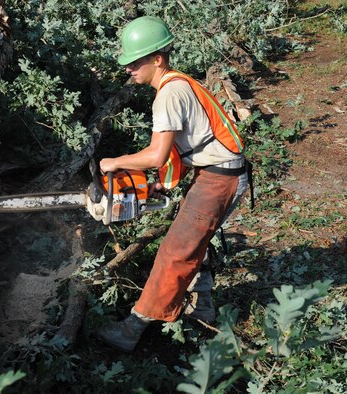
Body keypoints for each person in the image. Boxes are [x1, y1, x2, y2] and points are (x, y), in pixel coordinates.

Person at [97, 16, 249, 352]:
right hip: (218, 172)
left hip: (219, 178)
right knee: (194, 240)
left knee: (175, 251)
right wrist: (163, 184)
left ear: (157, 59)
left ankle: (135, 325)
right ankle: (204, 305)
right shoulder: (178, 84)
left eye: (134, 62)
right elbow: (182, 149)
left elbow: (156, 154)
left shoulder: (168, 94)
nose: (129, 69)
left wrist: (116, 162)